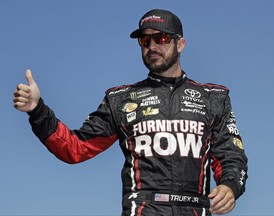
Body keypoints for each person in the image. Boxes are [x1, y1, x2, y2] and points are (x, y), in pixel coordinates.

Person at [13, 9, 248, 216]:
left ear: (181, 44)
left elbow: (231, 156)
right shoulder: (121, 100)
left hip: (197, 208)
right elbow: (75, 148)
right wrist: (37, 110)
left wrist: (229, 186)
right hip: (143, 209)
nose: (152, 46)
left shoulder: (213, 98)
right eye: (145, 41)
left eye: (161, 38)